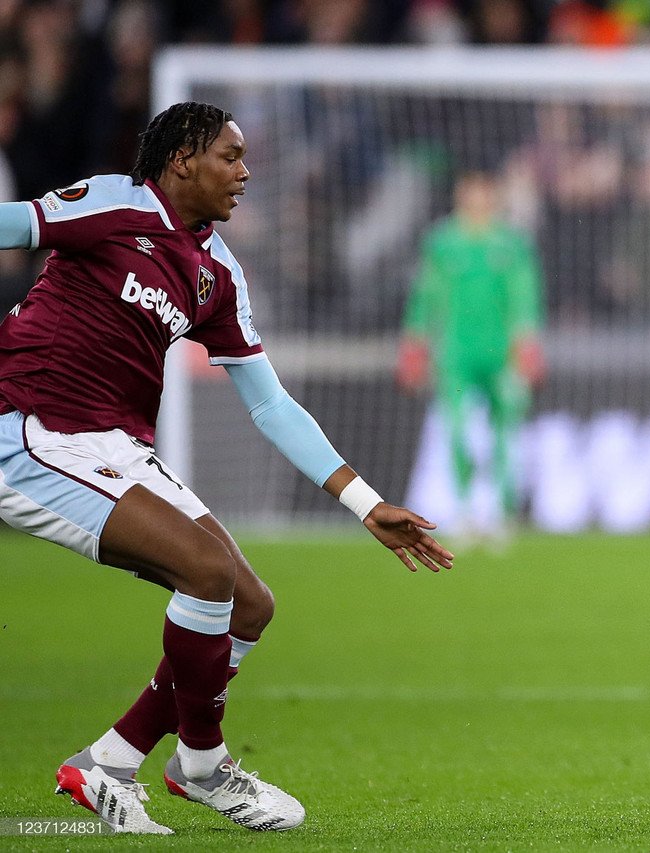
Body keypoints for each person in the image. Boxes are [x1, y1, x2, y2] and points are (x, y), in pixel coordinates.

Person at [0, 102, 454, 834]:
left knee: (248, 603)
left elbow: (271, 405)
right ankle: (203, 765)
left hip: (117, 446)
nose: (245, 173)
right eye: (230, 156)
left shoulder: (218, 273)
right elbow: (9, 226)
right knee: (206, 574)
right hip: (31, 433)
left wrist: (365, 502)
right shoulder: (115, 203)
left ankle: (110, 761)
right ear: (182, 159)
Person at [397, 168, 546, 538]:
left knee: (504, 433)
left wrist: (527, 343)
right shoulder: (442, 242)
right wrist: (414, 342)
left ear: (493, 194)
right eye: (470, 189)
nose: (477, 197)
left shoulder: (512, 243)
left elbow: (524, 297)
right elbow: (425, 296)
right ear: (461, 193)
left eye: (484, 189)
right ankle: (463, 510)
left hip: (501, 356)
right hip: (456, 355)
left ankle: (503, 513)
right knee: (459, 431)